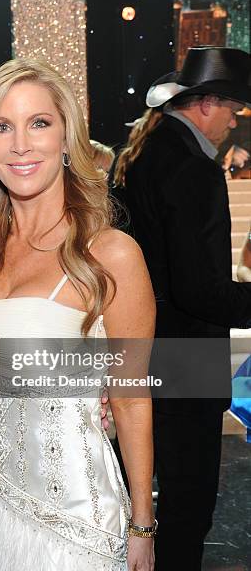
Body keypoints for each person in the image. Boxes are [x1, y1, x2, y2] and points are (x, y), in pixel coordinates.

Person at [0, 58, 156, 571]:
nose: (20, 143)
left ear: (67, 139)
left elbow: (132, 401)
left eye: (39, 123)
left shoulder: (110, 253)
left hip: (74, 523)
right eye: (2, 127)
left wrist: (143, 525)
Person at [109, 46, 251, 570]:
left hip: (137, 355)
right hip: (184, 364)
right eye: (233, 109)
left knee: (137, 505)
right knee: (188, 512)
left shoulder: (139, 155)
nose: (234, 121)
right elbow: (200, 291)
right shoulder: (193, 170)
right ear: (206, 104)